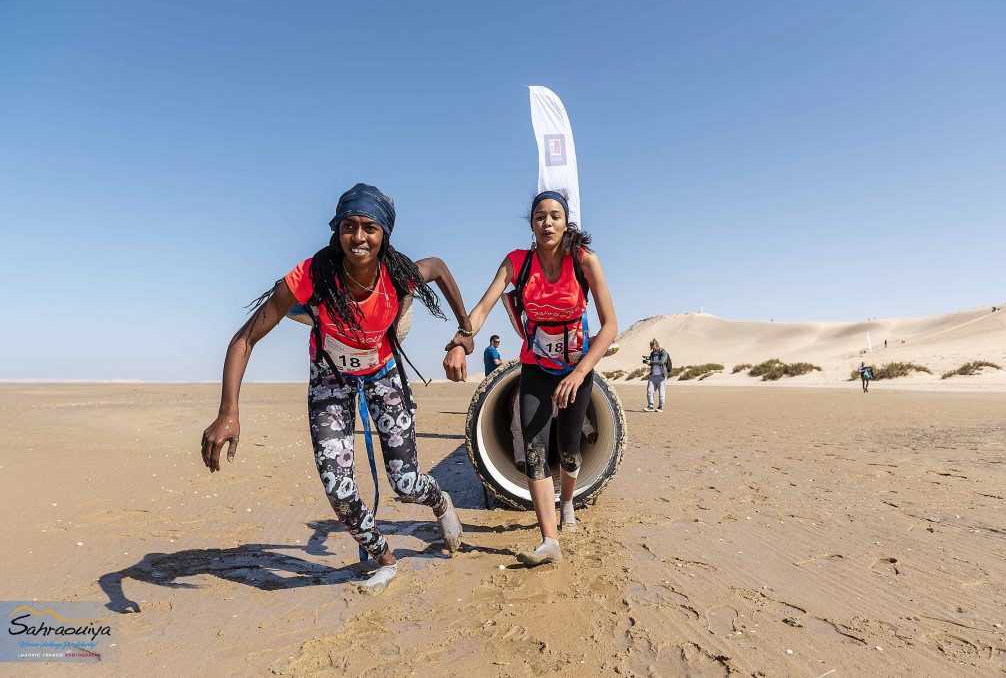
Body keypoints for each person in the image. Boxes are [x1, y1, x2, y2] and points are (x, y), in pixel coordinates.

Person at [201, 183, 473, 595]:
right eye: (349, 226)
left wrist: (465, 330)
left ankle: (441, 503)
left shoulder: (398, 274)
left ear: (384, 234)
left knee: (406, 483)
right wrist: (228, 412)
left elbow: (437, 267)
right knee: (339, 491)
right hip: (330, 381)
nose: (358, 237)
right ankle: (385, 559)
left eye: (369, 228)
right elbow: (245, 339)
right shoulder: (312, 276)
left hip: (384, 375)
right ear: (337, 229)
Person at [445, 190, 618, 567]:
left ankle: (567, 500)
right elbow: (483, 308)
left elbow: (610, 327)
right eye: (540, 216)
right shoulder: (517, 263)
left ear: (566, 222)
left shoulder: (584, 261)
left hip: (575, 370)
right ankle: (549, 540)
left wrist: (579, 373)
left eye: (555, 216)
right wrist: (460, 340)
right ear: (532, 224)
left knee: (569, 451)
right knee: (535, 449)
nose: (547, 223)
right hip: (536, 368)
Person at [643, 339, 671, 412]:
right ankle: (650, 406)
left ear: (657, 345)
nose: (653, 349)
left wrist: (651, 362)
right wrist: (648, 362)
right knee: (649, 391)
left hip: (661, 376)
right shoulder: (652, 353)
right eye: (652, 347)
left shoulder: (663, 352)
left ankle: (660, 407)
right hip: (653, 375)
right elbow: (652, 363)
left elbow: (661, 362)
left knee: (661, 393)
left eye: (654, 347)